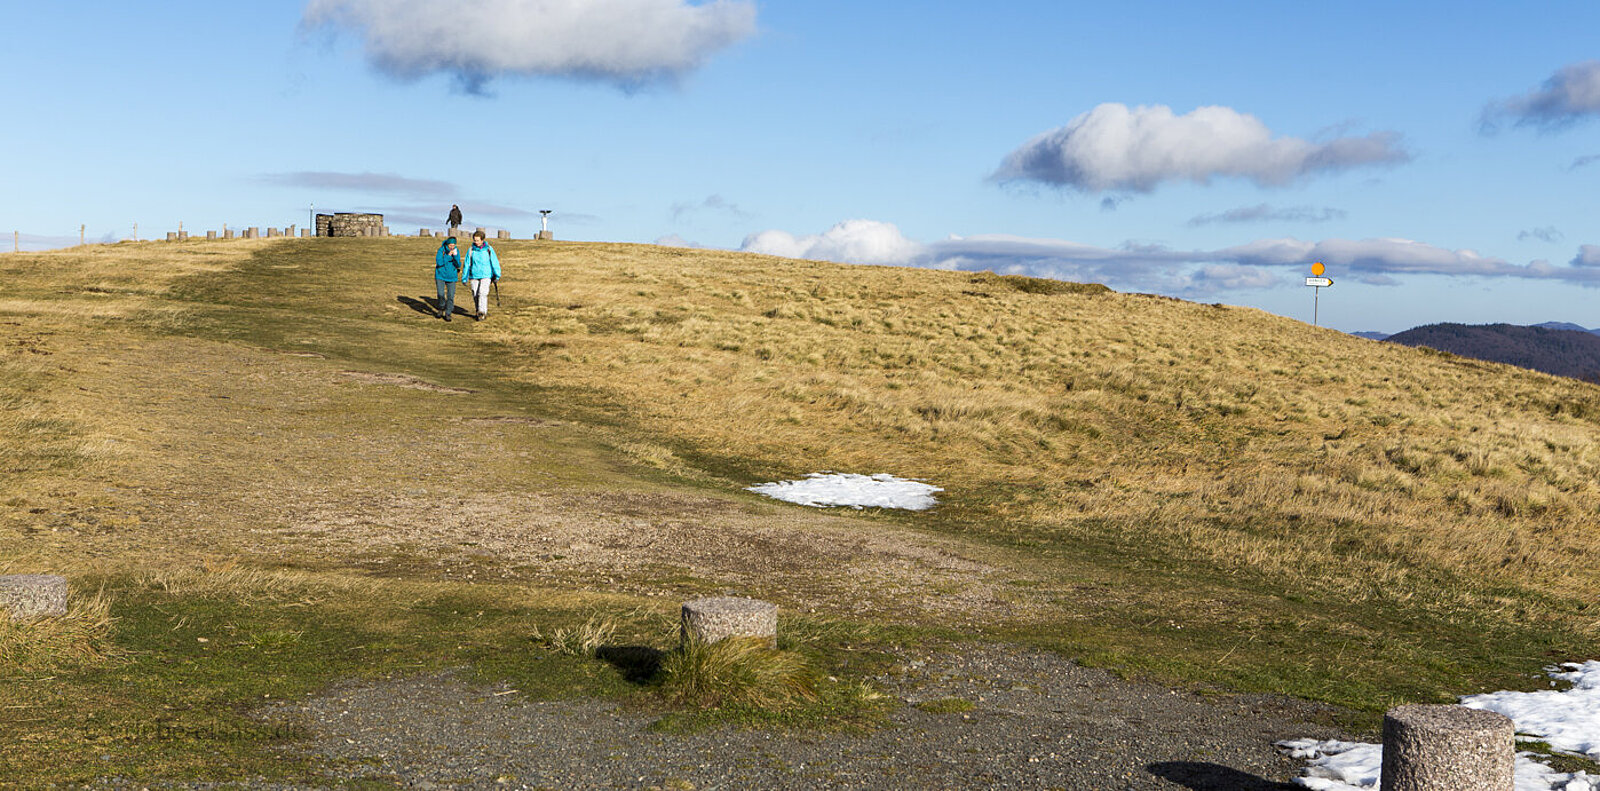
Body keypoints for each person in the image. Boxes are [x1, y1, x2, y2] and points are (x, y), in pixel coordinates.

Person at [461, 230, 501, 321]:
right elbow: (467, 264)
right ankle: (478, 310)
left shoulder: (489, 249)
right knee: (475, 294)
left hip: (486, 275)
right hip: (474, 275)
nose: (476, 242)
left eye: (478, 240)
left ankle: (482, 312)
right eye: (475, 240)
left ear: (482, 240)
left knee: (482, 293)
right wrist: (464, 277)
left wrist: (497, 275)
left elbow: (494, 262)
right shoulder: (471, 250)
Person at [433, 236, 463, 321]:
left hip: (452, 277)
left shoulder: (456, 251)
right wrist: (448, 256)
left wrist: (456, 256)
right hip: (440, 276)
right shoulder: (441, 250)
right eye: (450, 245)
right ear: (447, 244)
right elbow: (439, 263)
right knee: (440, 294)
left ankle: (448, 313)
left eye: (453, 245)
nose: (452, 247)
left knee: (450, 296)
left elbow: (458, 265)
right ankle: (441, 308)